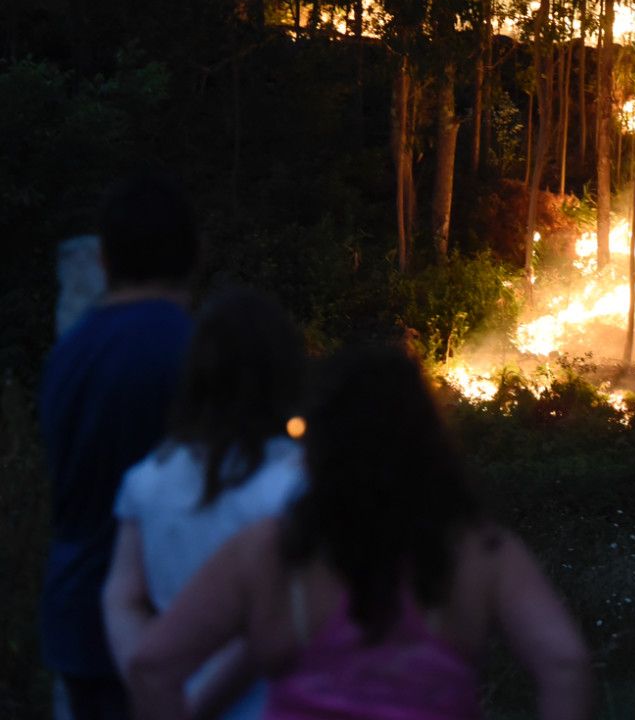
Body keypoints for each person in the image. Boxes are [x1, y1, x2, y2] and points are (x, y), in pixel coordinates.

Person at [126, 347, 593, 720]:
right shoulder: (481, 552)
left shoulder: (271, 550)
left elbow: (152, 667)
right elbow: (564, 665)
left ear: (320, 442)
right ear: (428, 440)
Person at [103, 289, 308, 719]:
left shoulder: (147, 480)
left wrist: (153, 679)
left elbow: (121, 597)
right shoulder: (297, 486)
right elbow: (278, 618)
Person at [39, 173, 198, 720]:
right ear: (191, 255)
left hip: (75, 609)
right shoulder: (187, 349)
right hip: (163, 620)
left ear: (105, 260)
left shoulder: (69, 351)